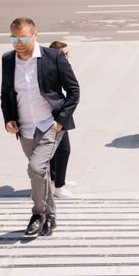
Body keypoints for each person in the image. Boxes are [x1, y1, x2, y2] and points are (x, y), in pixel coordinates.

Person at [0, 17, 80, 237]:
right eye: (13, 38)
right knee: (41, 173)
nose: (18, 42)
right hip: (24, 128)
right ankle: (51, 217)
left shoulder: (53, 57)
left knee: (35, 168)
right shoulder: (8, 60)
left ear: (35, 34)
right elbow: (6, 95)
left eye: (23, 37)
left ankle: (37, 214)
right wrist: (8, 119)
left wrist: (60, 121)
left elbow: (73, 91)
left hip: (49, 125)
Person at [48, 41, 76, 199]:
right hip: (55, 114)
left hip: (58, 112)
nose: (67, 56)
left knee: (55, 150)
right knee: (63, 150)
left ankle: (56, 179)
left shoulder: (51, 66)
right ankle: (59, 187)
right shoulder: (54, 68)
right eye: (64, 54)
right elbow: (72, 89)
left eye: (67, 53)